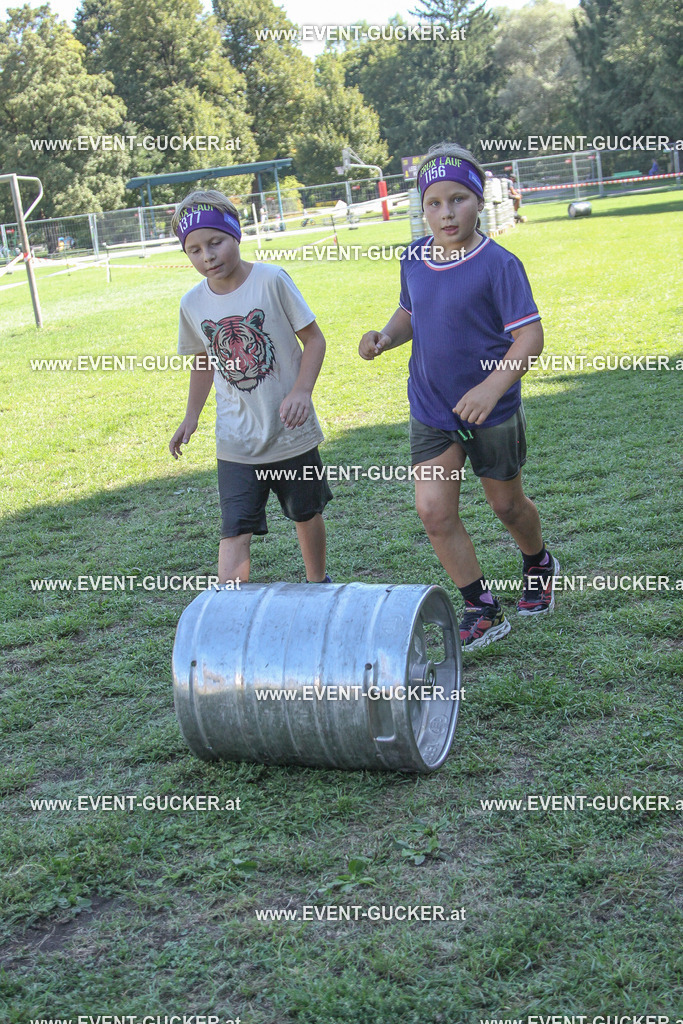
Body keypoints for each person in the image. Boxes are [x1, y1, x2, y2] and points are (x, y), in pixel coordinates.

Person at [358, 142, 559, 650]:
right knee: (433, 512)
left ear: (479, 200)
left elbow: (530, 336)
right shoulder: (413, 259)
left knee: (507, 506)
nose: (446, 213)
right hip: (431, 409)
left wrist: (492, 388)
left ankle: (538, 562)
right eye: (434, 203)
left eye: (458, 200)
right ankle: (482, 607)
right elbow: (411, 312)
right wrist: (384, 337)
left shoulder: (498, 264)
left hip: (492, 413)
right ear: (422, 207)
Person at [169, 189, 332, 585]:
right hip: (236, 439)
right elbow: (204, 362)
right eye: (194, 249)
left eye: (215, 242)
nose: (207, 255)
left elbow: (315, 340)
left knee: (306, 514)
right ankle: (229, 609)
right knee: (234, 528)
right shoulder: (192, 304)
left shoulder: (271, 280)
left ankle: (318, 586)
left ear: (236, 235)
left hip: (290, 431)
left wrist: (301, 391)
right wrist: (191, 417)